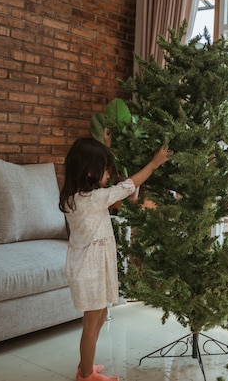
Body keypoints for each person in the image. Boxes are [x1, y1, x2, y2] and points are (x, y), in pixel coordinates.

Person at [59, 128, 172, 381]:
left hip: (91, 265)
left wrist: (105, 145)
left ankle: (84, 366)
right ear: (90, 172)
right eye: (105, 169)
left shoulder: (74, 197)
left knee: (99, 316)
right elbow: (131, 184)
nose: (109, 174)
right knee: (92, 322)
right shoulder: (94, 199)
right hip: (91, 268)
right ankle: (85, 375)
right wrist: (154, 164)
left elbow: (111, 182)